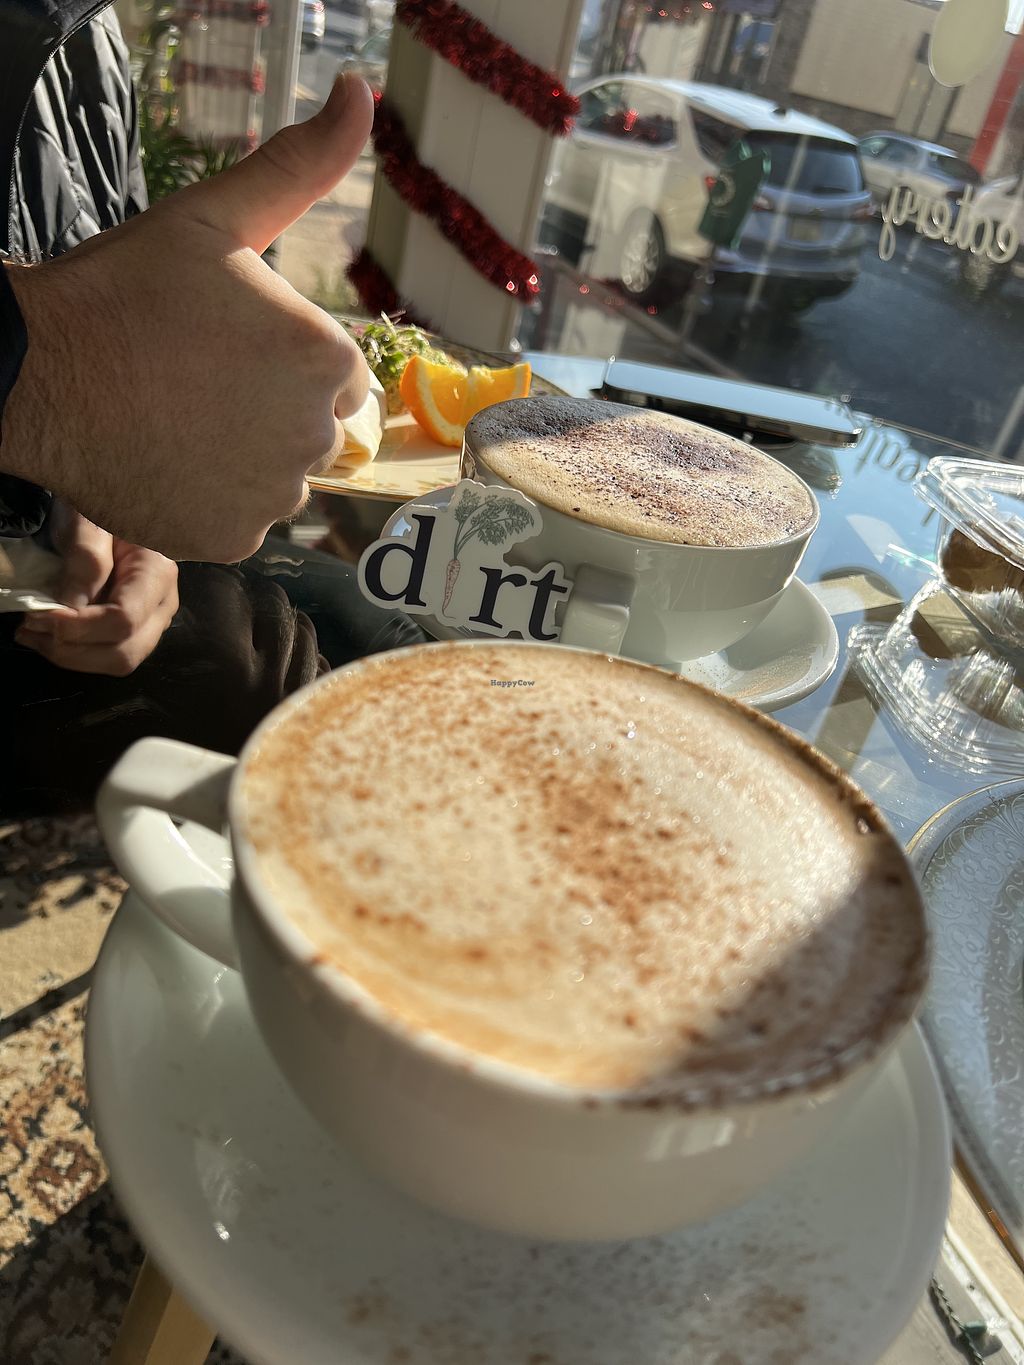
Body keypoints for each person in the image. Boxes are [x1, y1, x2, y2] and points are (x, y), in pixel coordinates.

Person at [0, 11, 425, 814]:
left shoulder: (91, 31)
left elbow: (103, 262)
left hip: (51, 558)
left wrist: (115, 511)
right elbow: (76, 342)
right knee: (299, 686)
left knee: (381, 636)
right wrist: (52, 375)